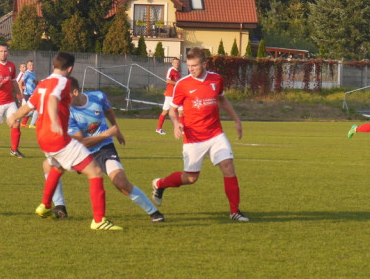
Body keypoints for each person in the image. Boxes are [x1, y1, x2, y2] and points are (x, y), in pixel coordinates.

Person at [8, 51, 121, 230]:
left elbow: (30, 106)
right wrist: (54, 121)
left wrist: (13, 116)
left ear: (54, 65)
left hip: (43, 138)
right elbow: (53, 99)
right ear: (70, 68)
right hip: (57, 138)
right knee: (96, 172)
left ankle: (45, 206)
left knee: (57, 167)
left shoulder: (43, 83)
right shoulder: (63, 82)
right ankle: (99, 221)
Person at [151, 47, 249, 222]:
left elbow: (222, 99)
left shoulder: (216, 79)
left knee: (228, 166)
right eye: (188, 66)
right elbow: (172, 111)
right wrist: (176, 124)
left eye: (195, 66)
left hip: (215, 133)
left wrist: (236, 120)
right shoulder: (182, 84)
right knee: (190, 178)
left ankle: (235, 211)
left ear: (204, 64)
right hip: (193, 137)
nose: (191, 69)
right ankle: (160, 184)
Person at [49, 78, 164, 223]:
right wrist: (108, 133)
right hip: (80, 151)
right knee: (50, 166)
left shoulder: (98, 96)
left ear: (75, 92)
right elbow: (83, 142)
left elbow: (108, 111)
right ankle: (59, 206)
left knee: (120, 181)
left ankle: (154, 212)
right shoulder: (68, 112)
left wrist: (118, 130)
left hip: (104, 148)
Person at [156, 57, 181, 134]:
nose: (176, 64)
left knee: (180, 111)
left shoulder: (178, 72)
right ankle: (159, 128)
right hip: (170, 94)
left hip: (175, 94)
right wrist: (177, 84)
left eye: (178, 62)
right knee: (166, 111)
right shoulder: (171, 70)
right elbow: (168, 80)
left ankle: (180, 129)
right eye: (175, 62)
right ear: (172, 63)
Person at [21, 60, 38, 127]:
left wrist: (37, 82)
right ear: (27, 66)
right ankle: (32, 124)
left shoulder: (33, 73)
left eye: (32, 65)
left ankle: (19, 117)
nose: (31, 66)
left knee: (33, 109)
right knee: (35, 109)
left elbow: (33, 82)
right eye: (30, 65)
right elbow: (20, 82)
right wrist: (21, 91)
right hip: (27, 94)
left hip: (32, 94)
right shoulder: (26, 73)